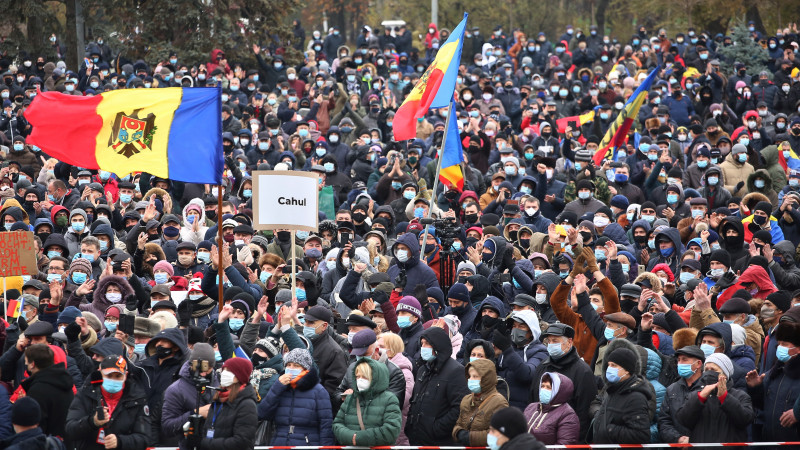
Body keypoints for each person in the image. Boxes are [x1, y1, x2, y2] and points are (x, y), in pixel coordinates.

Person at [65, 355, 153, 450]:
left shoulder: (137, 398)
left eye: (118, 376)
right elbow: (70, 430)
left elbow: (144, 438)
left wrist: (120, 441)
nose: (113, 379)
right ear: (100, 373)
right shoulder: (85, 394)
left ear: (125, 375)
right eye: (109, 375)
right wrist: (92, 422)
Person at [405, 327, 469, 445]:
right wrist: (410, 425)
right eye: (422, 343)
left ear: (438, 345)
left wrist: (436, 429)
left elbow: (459, 408)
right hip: (416, 439)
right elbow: (414, 401)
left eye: (427, 343)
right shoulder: (423, 370)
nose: (423, 347)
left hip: (440, 441)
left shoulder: (456, 371)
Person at [258, 348, 335, 445]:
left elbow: (326, 425)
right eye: (288, 365)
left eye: (296, 366)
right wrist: (277, 388)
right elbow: (262, 413)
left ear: (305, 369)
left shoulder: (319, 391)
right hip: (280, 443)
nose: (291, 368)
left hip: (306, 444)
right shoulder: (280, 387)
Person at [676, 353, 754, 443]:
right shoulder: (694, 395)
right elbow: (683, 420)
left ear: (725, 374)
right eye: (706, 369)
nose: (709, 372)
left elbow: (745, 419)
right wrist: (700, 398)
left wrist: (725, 398)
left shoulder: (740, 396)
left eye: (713, 369)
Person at [332, 357, 402, 445]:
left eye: (364, 377)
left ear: (375, 378)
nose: (360, 380)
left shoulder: (389, 400)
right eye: (357, 376)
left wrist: (359, 438)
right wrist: (350, 437)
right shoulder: (350, 398)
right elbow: (337, 424)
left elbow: (391, 430)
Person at [590, 347, 651, 444]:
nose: (609, 369)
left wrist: (609, 429)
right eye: (609, 365)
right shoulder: (612, 389)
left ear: (627, 370)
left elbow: (641, 435)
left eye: (614, 365)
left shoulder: (636, 398)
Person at [195, 357, 258, 449]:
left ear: (239, 375)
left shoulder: (247, 405)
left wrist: (206, 443)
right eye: (224, 369)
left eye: (228, 370)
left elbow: (242, 441)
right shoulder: (219, 398)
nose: (224, 373)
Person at [20, 344, 74, 438]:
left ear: (32, 364)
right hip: (65, 441)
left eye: (26, 363)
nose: (26, 365)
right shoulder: (63, 381)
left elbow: (37, 426)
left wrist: (25, 405)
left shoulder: (37, 390)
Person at [453, 358, 509, 446]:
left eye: (475, 377)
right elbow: (458, 425)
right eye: (470, 376)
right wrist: (458, 433)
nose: (470, 380)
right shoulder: (466, 399)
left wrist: (470, 437)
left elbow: (499, 434)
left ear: (486, 379)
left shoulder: (499, 402)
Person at [523, 372, 580, 445]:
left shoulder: (568, 415)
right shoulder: (531, 408)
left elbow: (564, 446)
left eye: (548, 387)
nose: (544, 390)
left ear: (559, 391)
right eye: (542, 386)